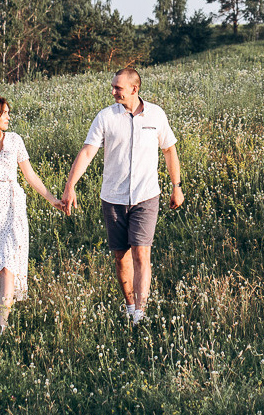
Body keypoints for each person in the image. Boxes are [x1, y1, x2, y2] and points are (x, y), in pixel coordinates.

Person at [60, 67, 183, 325]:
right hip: (113, 197)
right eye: (113, 86)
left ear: (134, 89)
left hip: (146, 196)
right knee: (120, 257)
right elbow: (86, 153)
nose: (113, 91)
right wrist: (70, 185)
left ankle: (140, 314)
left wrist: (176, 185)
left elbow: (169, 150)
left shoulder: (156, 115)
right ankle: (129, 307)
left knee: (141, 253)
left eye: (118, 87)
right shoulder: (105, 117)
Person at [0, 95, 64, 332]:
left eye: (9, 112)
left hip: (13, 205)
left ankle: (3, 325)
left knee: (8, 262)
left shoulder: (16, 140)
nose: (9, 117)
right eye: (5, 113)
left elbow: (30, 175)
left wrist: (52, 200)